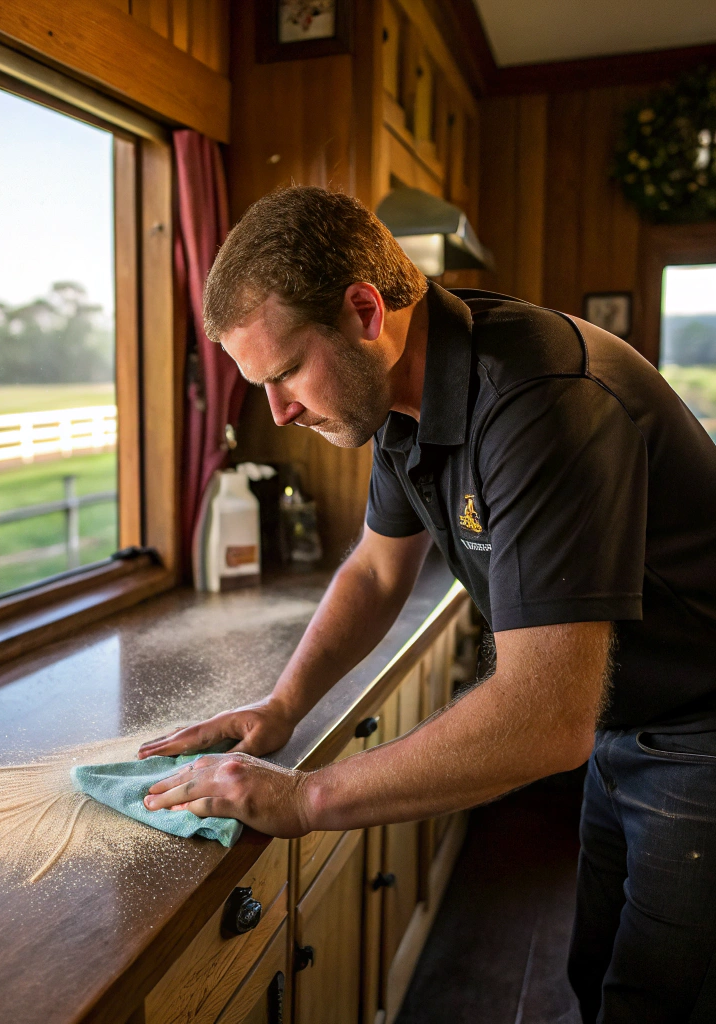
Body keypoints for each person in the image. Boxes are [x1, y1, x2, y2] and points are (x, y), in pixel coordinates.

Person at [137, 186, 716, 1022]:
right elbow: (375, 573)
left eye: (288, 370)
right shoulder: (404, 401)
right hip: (631, 719)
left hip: (702, 725)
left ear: (366, 310)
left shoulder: (539, 399)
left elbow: (546, 716)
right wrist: (282, 706)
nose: (280, 410)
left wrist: (304, 799)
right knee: (596, 977)